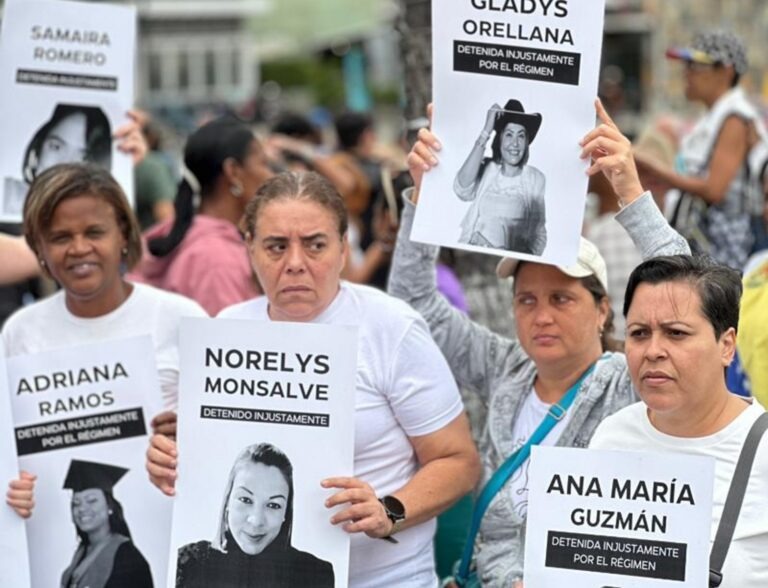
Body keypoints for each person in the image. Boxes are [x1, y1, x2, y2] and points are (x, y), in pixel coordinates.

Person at [389, 100, 690, 586]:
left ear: (602, 310)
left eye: (561, 298)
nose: (541, 315)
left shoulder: (633, 383)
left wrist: (631, 192)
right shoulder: (505, 367)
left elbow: (687, 299)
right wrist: (423, 200)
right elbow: (414, 301)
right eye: (526, 300)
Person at [147, 171, 481, 587]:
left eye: (315, 245)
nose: (295, 263)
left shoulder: (390, 327)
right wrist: (173, 459)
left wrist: (389, 510)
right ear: (249, 247)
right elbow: (219, 464)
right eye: (276, 246)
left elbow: (458, 461)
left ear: (344, 249)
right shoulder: (227, 329)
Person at [3, 162, 206, 514]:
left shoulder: (182, 318)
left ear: (124, 235)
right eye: (60, 237)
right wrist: (11, 490)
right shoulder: (20, 331)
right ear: (40, 249)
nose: (79, 248)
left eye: (94, 232)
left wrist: (191, 437)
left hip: (171, 532)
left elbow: (223, 440)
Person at [589, 255, 768, 588]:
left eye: (676, 333)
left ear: (726, 345)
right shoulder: (611, 436)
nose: (653, 350)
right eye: (639, 333)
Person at [636, 29, 767, 269]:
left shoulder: (734, 117)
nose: (686, 73)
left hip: (728, 252)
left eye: (696, 66)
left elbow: (714, 189)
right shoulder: (716, 116)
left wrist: (652, 166)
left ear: (726, 71)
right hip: (712, 247)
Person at [130, 117, 271, 316]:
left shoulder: (178, 233)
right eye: (264, 163)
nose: (271, 175)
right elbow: (229, 342)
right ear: (233, 172)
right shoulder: (217, 260)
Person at [176, 443, 334, 588]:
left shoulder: (315, 574)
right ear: (227, 502)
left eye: (273, 505)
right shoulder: (188, 564)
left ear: (285, 513)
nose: (256, 520)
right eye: (245, 499)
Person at [455, 99, 547, 255]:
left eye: (521, 136)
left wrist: (516, 258)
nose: (515, 144)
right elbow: (461, 188)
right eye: (509, 135)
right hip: (471, 253)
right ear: (500, 140)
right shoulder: (487, 168)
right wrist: (486, 130)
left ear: (526, 142)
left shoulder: (535, 179)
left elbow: (538, 234)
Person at [3, 104, 113, 218]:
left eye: (83, 157)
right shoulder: (8, 196)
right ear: (36, 151)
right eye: (56, 147)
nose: (65, 163)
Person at [61, 459, 153, 588]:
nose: (82, 508)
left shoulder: (128, 558)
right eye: (76, 503)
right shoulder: (82, 552)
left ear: (110, 507)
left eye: (92, 500)